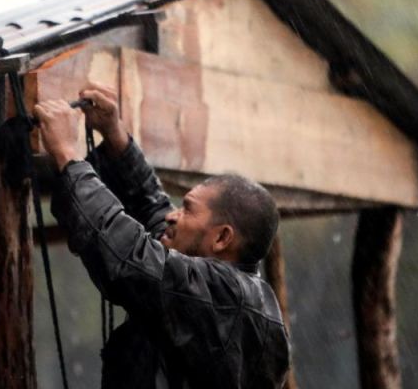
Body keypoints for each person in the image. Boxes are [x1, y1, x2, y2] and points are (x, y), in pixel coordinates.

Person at [34, 83, 291, 389]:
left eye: (188, 210)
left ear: (222, 239)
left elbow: (129, 258)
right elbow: (154, 212)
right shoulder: (220, 289)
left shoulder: (225, 297)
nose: (173, 214)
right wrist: (117, 137)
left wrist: (68, 155)